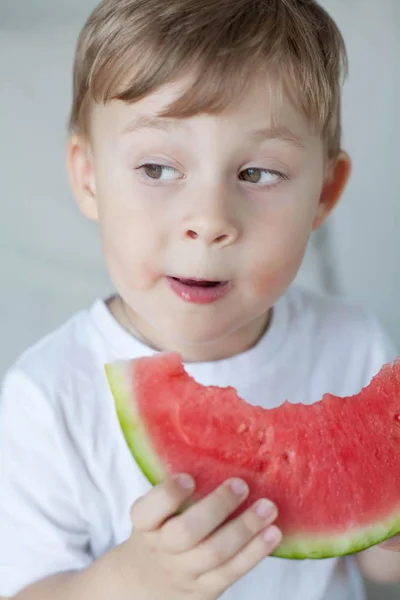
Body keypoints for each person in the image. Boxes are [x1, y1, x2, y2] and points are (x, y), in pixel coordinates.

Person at [0, 0, 399, 598]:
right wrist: (127, 581)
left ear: (324, 192)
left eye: (257, 173)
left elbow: (379, 560)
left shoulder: (353, 345)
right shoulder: (48, 398)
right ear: (88, 178)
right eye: (158, 168)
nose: (209, 221)